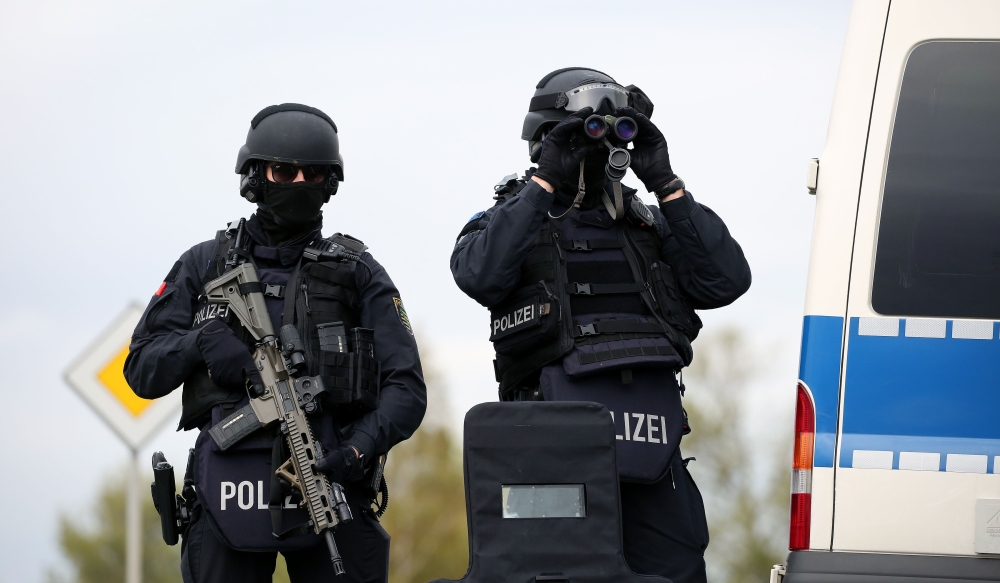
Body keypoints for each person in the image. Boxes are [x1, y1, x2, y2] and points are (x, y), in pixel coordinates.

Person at [450, 68, 751, 583]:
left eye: (612, 132)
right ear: (544, 141)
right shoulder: (504, 222)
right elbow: (481, 275)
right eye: (582, 132)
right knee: (554, 574)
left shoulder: (650, 223)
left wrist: (666, 183)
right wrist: (544, 183)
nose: (596, 147)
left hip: (651, 448)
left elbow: (725, 282)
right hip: (549, 450)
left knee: (675, 571)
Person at [126, 103, 426, 583]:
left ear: (330, 183)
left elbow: (407, 390)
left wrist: (356, 452)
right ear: (255, 176)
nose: (298, 183)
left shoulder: (357, 271)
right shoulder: (205, 265)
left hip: (331, 483)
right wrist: (199, 343)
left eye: (313, 173)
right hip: (227, 490)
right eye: (284, 171)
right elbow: (140, 370)